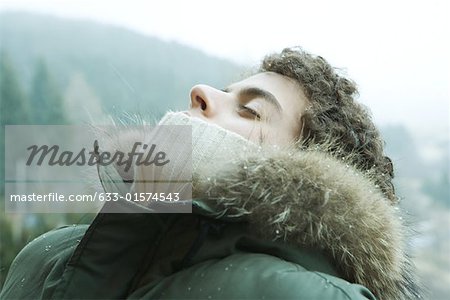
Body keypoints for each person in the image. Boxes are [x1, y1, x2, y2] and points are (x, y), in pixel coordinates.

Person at [1, 47, 421, 299]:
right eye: (225, 91)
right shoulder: (46, 254)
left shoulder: (306, 296)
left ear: (305, 177)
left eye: (250, 110)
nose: (200, 91)